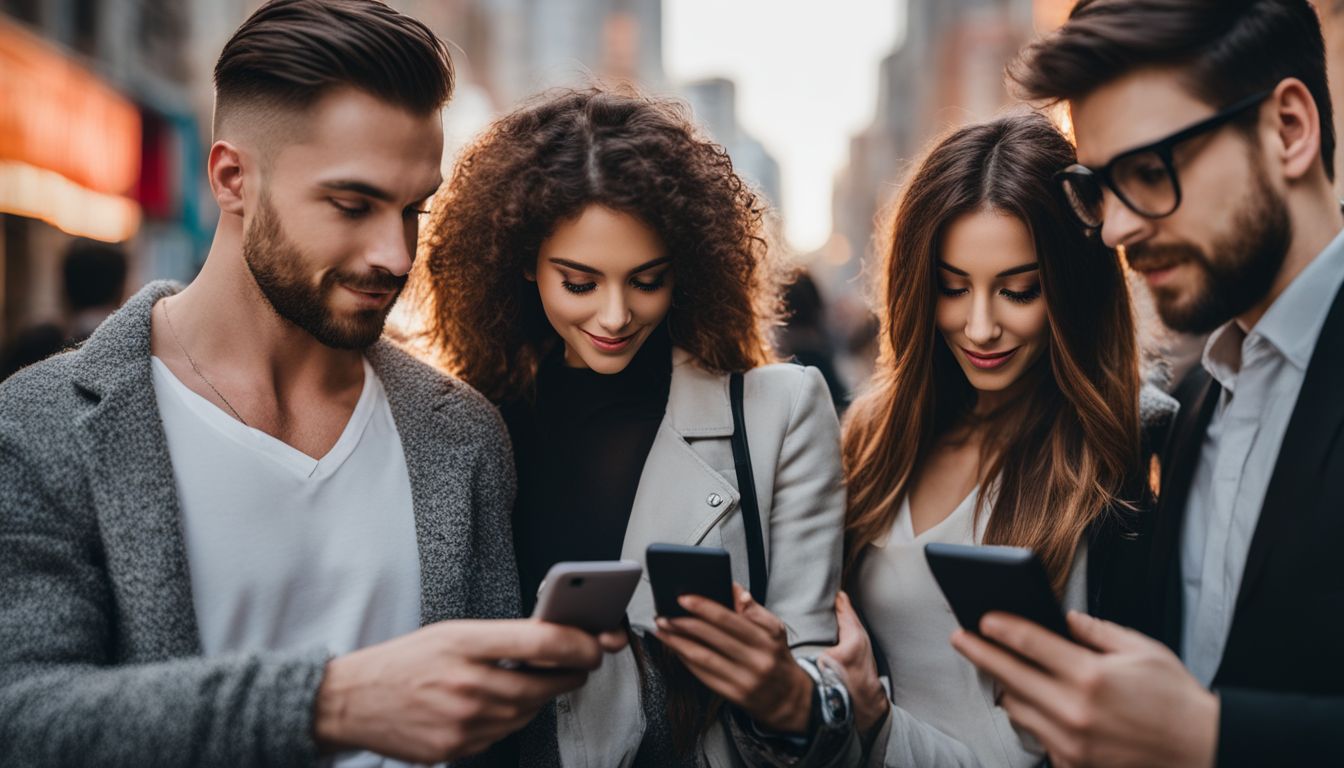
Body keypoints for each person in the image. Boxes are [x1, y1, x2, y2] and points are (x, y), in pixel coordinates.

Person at [0, 2, 618, 766]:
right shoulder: (42, 423)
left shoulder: (461, 434)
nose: (395, 254)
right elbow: (23, 717)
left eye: (413, 209)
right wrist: (333, 703)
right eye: (353, 205)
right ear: (232, 179)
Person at [952, 1, 1344, 765]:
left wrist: (1209, 738)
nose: (1115, 229)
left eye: (1148, 171)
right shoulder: (1192, 405)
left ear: (1289, 129)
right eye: (1098, 186)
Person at [416, 87, 852, 766]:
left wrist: (787, 693)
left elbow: (817, 682)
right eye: (580, 283)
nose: (615, 316)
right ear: (525, 263)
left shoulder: (780, 414)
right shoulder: (468, 422)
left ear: (686, 268)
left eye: (646, 280)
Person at [822, 112, 1171, 766]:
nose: (980, 327)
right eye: (953, 289)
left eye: (1018, 291)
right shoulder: (869, 439)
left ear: (1073, 287)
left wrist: (873, 719)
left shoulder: (1127, 453)